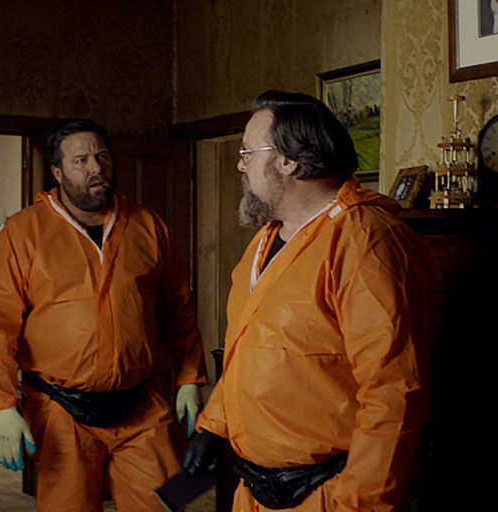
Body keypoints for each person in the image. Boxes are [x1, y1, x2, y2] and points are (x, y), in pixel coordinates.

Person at [183, 90, 432, 511]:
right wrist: (213, 428)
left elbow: (393, 393)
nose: (240, 165)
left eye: (247, 153)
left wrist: (358, 504)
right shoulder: (264, 242)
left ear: (288, 162)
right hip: (255, 490)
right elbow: (250, 354)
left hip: (327, 495)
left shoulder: (363, 242)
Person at [0, 118, 208, 511]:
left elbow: (178, 309)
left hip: (140, 407)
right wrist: (1, 408)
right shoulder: (24, 231)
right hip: (62, 411)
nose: (96, 167)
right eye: (81, 160)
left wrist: (189, 378)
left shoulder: (147, 225)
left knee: (166, 504)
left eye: (102, 156)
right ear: (58, 172)